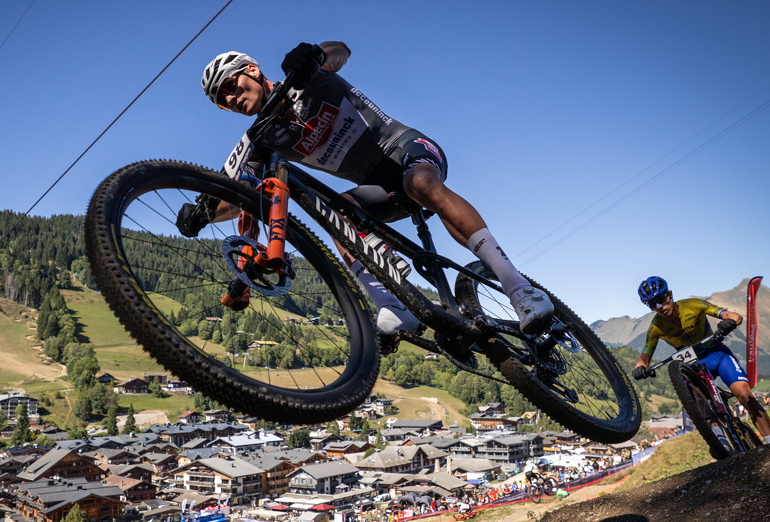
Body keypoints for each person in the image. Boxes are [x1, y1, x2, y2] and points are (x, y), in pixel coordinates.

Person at [196, 42, 556, 346]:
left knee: (421, 184)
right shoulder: (262, 137)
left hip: (405, 150)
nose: (231, 97)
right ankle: (391, 303)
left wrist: (314, 56)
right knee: (335, 213)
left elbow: (339, 52)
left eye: (230, 84)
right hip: (377, 187)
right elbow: (242, 195)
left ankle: (519, 288)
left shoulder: (302, 79)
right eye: (222, 100)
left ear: (253, 70)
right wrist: (204, 211)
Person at [631, 276, 770, 446]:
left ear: (670, 294)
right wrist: (640, 369)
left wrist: (729, 322)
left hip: (717, 355)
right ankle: (724, 448)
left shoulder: (693, 305)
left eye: (661, 299)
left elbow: (733, 316)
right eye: (652, 303)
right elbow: (643, 359)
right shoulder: (655, 327)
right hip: (692, 368)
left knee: (745, 396)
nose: (659, 306)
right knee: (705, 412)